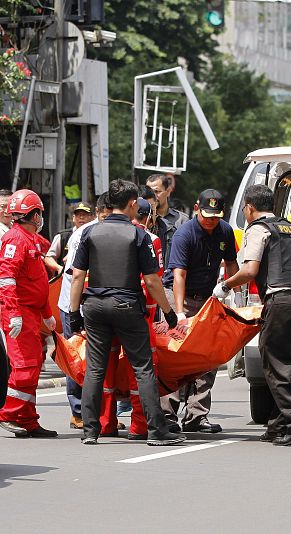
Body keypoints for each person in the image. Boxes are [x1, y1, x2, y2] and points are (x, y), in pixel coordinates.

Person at [68, 179, 185, 447]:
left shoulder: (90, 233)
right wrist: (168, 313)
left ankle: (90, 430)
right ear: (132, 203)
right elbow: (153, 281)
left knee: (96, 368)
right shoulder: (139, 235)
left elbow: (77, 277)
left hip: (94, 306)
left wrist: (75, 313)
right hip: (127, 305)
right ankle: (156, 431)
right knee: (143, 368)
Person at [218, 185, 291, 445]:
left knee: (275, 365)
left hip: (280, 301)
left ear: (249, 207)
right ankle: (278, 424)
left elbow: (250, 270)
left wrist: (225, 286)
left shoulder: (258, 230)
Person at [160, 189, 239, 434]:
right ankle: (167, 415)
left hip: (208, 298)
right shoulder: (185, 234)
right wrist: (180, 313)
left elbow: (232, 264)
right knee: (174, 355)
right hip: (179, 296)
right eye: (207, 216)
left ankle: (197, 415)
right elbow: (178, 275)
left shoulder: (225, 230)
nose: (211, 221)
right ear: (197, 208)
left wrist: (233, 290)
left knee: (208, 357)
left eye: (215, 217)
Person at [0, 189, 58, 438]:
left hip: (29, 312)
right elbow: (6, 279)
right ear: (35, 214)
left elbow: (36, 283)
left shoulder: (27, 240)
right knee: (25, 367)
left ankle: (27, 419)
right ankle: (6, 413)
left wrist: (46, 312)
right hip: (18, 312)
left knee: (33, 365)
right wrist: (14, 312)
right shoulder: (16, 239)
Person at [57, 194, 112, 430]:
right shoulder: (84, 233)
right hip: (76, 303)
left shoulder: (115, 230)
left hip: (100, 303)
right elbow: (75, 274)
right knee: (77, 356)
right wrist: (74, 311)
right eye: (107, 215)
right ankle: (78, 411)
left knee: (98, 360)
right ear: (98, 213)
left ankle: (101, 413)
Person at [147, 174, 188, 264]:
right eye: (149, 192)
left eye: (157, 192)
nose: (153, 196)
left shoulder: (182, 221)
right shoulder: (140, 218)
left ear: (168, 191)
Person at [45, 201, 95, 276]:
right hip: (65, 278)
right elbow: (48, 258)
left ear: (92, 217)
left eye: (85, 214)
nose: (81, 217)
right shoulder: (62, 236)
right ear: (73, 218)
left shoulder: (95, 235)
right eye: (78, 215)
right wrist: (59, 268)